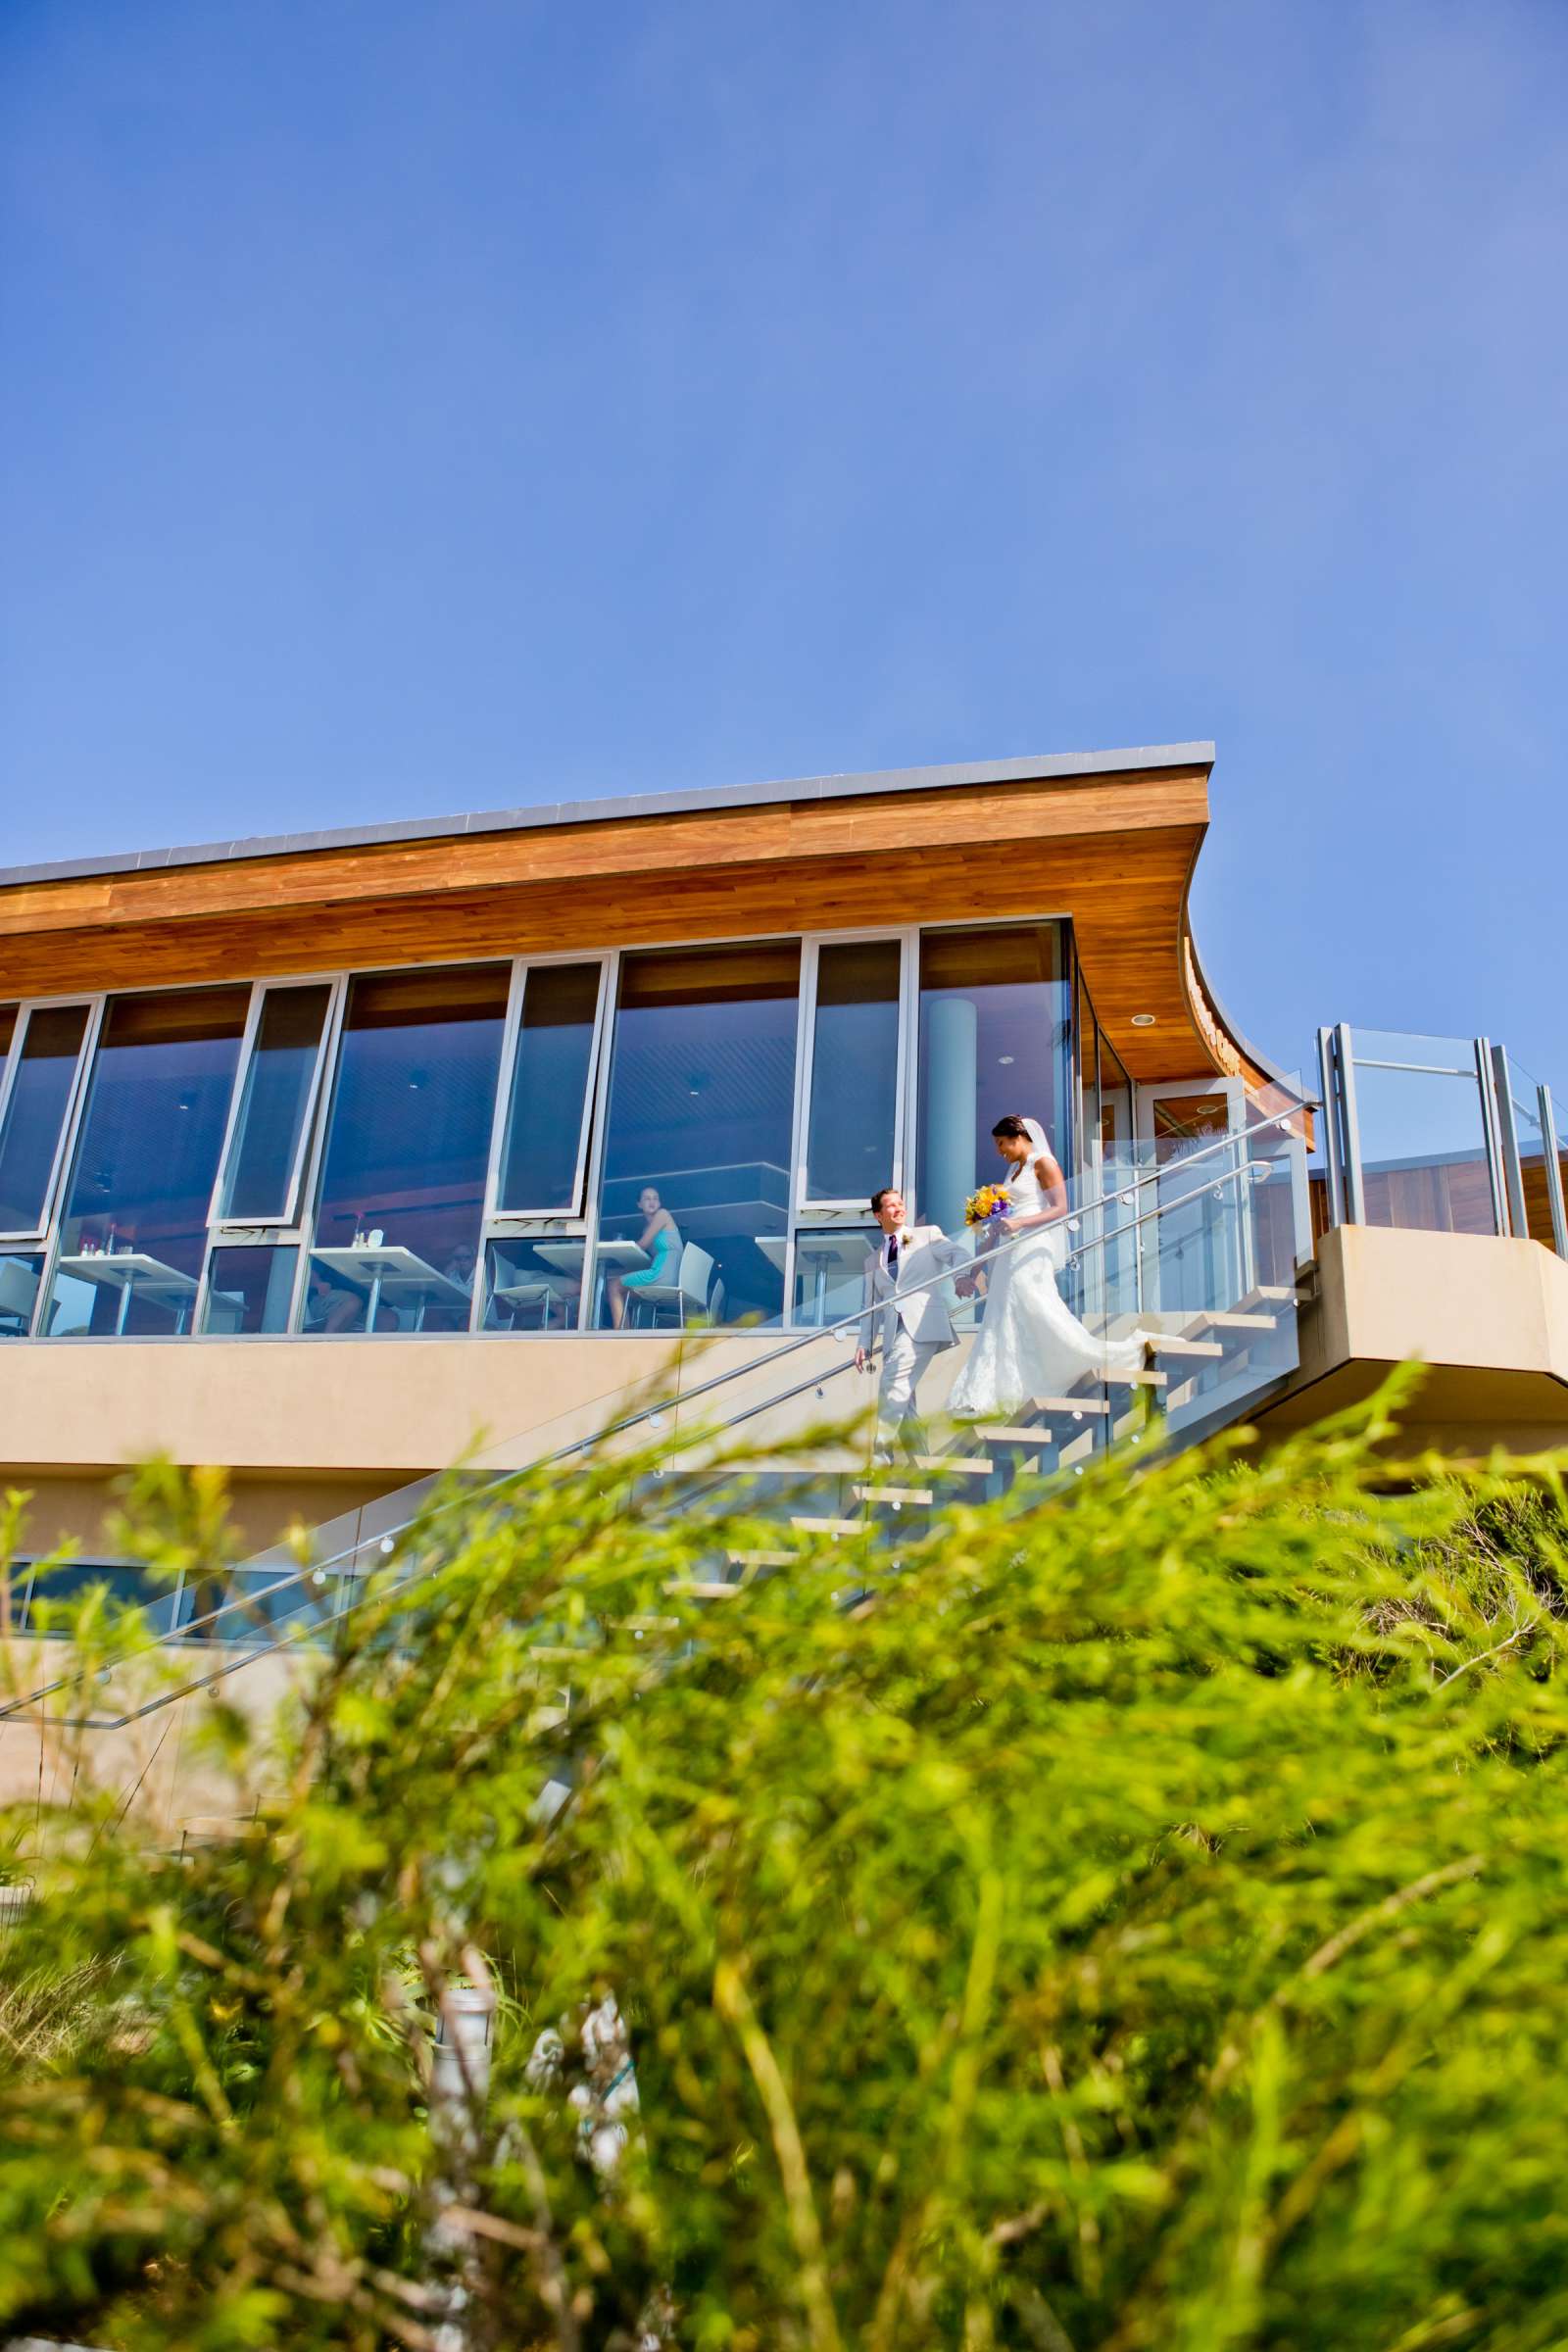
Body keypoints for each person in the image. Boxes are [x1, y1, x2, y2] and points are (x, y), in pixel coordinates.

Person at [948, 1114, 1150, 1416]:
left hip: (1031, 1247)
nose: (999, 1151)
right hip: (1007, 1252)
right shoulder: (1011, 1173)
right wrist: (973, 1272)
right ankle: (1000, 1390)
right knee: (1002, 1314)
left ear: (1018, 1137)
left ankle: (1082, 1357)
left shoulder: (1043, 1163)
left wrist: (1019, 1222)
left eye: (1002, 1143)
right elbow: (995, 1227)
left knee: (1036, 1306)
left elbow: (1061, 1208)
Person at [856, 1186, 971, 1460]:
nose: (899, 1208)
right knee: (904, 1402)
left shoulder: (926, 1235)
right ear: (878, 1215)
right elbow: (870, 1309)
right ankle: (922, 1462)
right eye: (891, 1205)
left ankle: (880, 1459)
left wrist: (961, 1277)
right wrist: (864, 1344)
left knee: (892, 1384)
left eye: (900, 1203)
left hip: (922, 1324)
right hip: (893, 1337)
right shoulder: (872, 1261)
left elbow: (958, 1254)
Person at [607, 1186, 682, 1329]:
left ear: (660, 1203)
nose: (652, 1201)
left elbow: (641, 1245)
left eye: (655, 1198)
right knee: (622, 1291)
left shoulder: (662, 1214)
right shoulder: (647, 1229)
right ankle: (628, 1331)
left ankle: (620, 1333)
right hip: (666, 1276)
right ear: (639, 1204)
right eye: (647, 1198)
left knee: (613, 1286)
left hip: (662, 1275)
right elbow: (644, 1255)